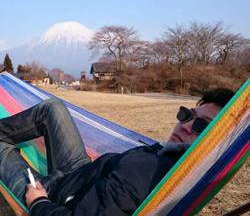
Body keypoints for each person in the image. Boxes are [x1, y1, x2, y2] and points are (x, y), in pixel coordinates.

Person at [0, 88, 234, 216]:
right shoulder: (177, 162)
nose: (185, 125)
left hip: (54, 194)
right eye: (188, 114)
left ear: (215, 142)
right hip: (83, 174)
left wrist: (39, 202)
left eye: (202, 126)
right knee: (52, 108)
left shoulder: (150, 171)